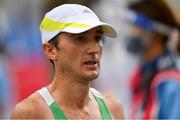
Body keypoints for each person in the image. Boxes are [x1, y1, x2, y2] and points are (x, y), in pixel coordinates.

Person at [10, 4, 124, 119]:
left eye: (98, 38)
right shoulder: (30, 113)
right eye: (80, 39)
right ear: (50, 50)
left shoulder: (113, 108)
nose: (94, 49)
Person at [123, 0, 180, 119]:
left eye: (135, 26)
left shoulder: (170, 83)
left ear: (153, 33)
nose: (130, 32)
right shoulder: (141, 75)